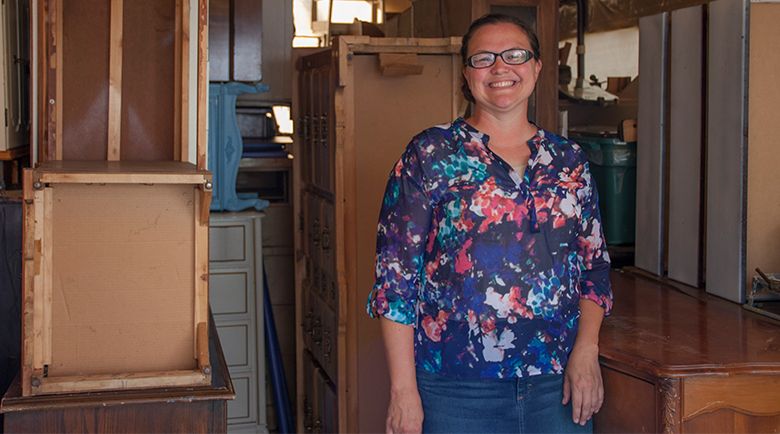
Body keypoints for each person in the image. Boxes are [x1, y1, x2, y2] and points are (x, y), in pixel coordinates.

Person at [366, 13, 613, 434]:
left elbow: (594, 268)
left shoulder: (569, 160)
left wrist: (587, 351)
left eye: (515, 55)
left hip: (557, 384)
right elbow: (395, 280)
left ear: (536, 67)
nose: (500, 67)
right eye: (483, 58)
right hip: (455, 388)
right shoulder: (430, 154)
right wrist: (403, 391)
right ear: (467, 74)